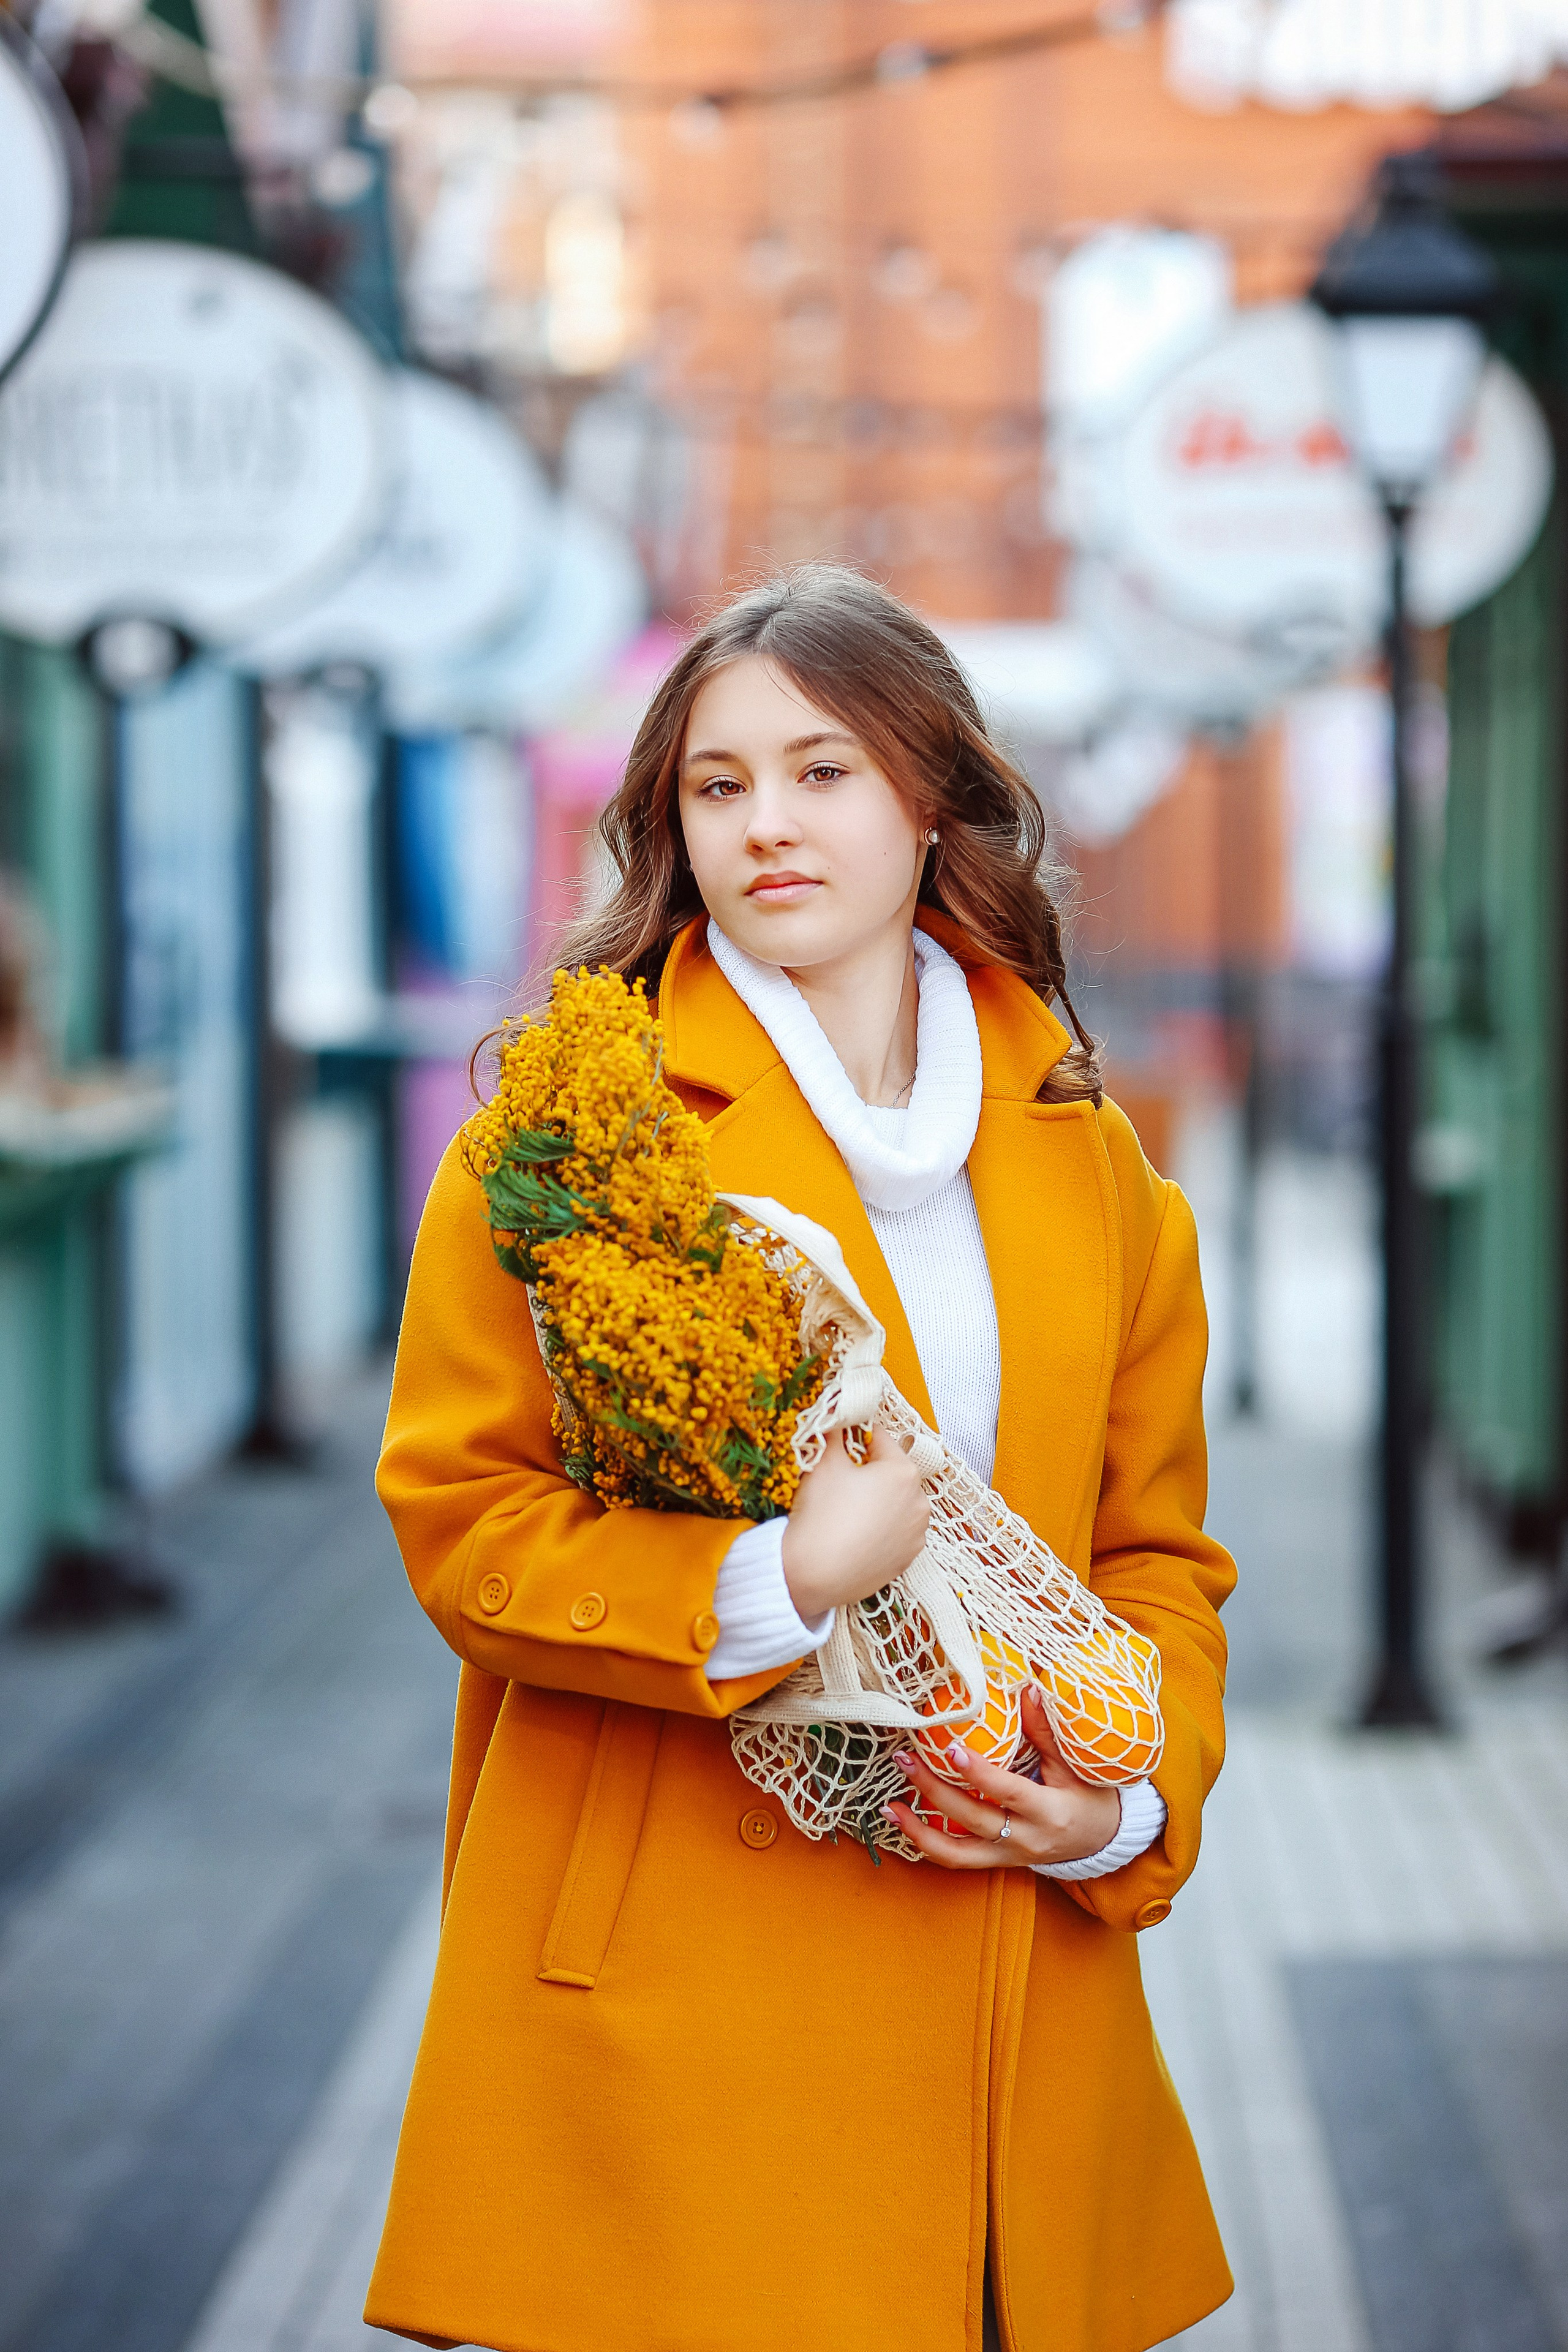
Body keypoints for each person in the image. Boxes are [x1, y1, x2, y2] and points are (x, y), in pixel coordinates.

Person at [366, 565, 1235, 2352]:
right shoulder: (567, 1128)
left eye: (824, 771)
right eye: (719, 782)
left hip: (998, 1945)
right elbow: (463, 1520)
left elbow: (1157, 1558)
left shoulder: (1097, 1168)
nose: (768, 823)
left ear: (932, 800)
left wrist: (1126, 1809)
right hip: (669, 1988)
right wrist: (774, 1580)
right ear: (670, 822)